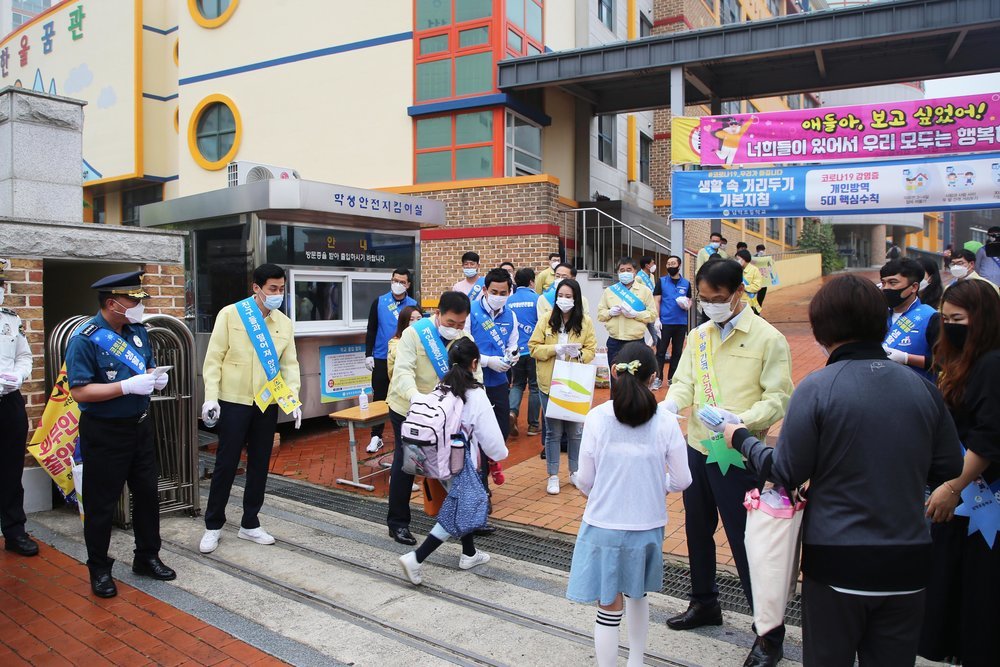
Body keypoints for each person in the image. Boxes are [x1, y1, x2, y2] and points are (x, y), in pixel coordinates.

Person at [716, 274, 962, 666]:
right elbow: (949, 468)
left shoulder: (817, 388)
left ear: (821, 328)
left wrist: (740, 438)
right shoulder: (923, 390)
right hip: (909, 560)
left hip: (836, 559)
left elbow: (786, 471)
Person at [663, 258, 793, 667]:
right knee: (697, 531)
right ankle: (704, 602)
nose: (710, 306)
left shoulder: (768, 339)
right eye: (703, 299)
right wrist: (671, 405)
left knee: (747, 543)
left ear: (739, 293)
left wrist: (744, 421)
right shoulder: (699, 335)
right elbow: (683, 380)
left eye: (717, 299)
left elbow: (779, 397)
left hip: (739, 455)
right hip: (698, 448)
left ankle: (769, 634)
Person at [566, 342, 691, 667]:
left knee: (608, 606)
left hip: (603, 525)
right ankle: (637, 661)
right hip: (648, 527)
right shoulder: (665, 421)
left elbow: (586, 480)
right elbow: (682, 480)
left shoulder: (597, 418)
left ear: (613, 372)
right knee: (638, 596)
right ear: (655, 378)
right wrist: (655, 484)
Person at [65, 271, 175, 598]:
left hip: (139, 426)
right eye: (134, 301)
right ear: (112, 303)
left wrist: (155, 377)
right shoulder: (85, 338)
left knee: (147, 495)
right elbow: (80, 392)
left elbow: (146, 366)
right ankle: (98, 567)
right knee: (101, 504)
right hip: (105, 431)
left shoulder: (138, 332)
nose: (140, 306)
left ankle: (147, 556)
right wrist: (125, 386)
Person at [920, 279, 1000, 666]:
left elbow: (987, 438)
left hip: (982, 502)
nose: (948, 326)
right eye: (944, 318)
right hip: (960, 497)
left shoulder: (992, 363)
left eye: (958, 319)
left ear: (982, 320)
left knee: (979, 596)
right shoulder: (961, 360)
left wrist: (954, 486)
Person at [199, 263, 302, 555]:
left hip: (266, 403)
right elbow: (214, 359)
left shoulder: (284, 322)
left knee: (259, 464)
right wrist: (211, 397)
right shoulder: (231, 314)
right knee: (226, 464)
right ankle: (213, 525)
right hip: (233, 401)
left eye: (282, 289)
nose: (277, 294)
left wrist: (293, 399)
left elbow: (289, 366)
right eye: (272, 289)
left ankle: (250, 522)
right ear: (256, 288)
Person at [398, 337, 507, 584]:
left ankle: (469, 554)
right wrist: (501, 456)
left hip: (436, 459)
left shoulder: (442, 386)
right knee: (463, 507)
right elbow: (492, 440)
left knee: (460, 502)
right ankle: (416, 558)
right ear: (475, 363)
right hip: (459, 461)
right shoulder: (475, 394)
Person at [386, 291, 478, 545]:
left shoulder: (464, 338)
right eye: (450, 323)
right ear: (438, 313)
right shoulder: (415, 333)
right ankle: (398, 523)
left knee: (457, 462)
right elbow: (402, 371)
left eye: (460, 324)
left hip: (445, 414)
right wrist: (416, 398)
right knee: (408, 463)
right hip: (409, 409)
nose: (455, 329)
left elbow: (473, 375)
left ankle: (469, 521)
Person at [528, 278, 596, 495]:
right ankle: (553, 475)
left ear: (576, 299)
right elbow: (533, 348)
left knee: (575, 431)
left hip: (574, 382)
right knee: (553, 431)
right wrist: (554, 349)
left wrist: (580, 354)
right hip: (550, 383)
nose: (564, 300)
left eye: (568, 296)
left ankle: (575, 471)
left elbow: (591, 349)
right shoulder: (547, 319)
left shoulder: (585, 321)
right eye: (561, 296)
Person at [466, 268, 519, 520]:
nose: (499, 296)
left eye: (504, 292)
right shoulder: (471, 312)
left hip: (499, 382)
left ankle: (489, 467)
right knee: (476, 436)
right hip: (474, 382)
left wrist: (513, 356)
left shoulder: (511, 315)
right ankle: (482, 490)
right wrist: (487, 361)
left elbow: (513, 343)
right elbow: (463, 345)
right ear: (485, 290)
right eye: (494, 292)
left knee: (499, 431)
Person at [0, 261, 37, 558]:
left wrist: (19, 377)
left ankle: (14, 531)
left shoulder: (10, 320)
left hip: (9, 403)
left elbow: (25, 356)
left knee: (12, 470)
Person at [364, 269, 416, 453]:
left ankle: (406, 435)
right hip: (380, 356)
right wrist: (368, 353)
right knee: (379, 397)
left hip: (405, 359)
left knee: (404, 397)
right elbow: (371, 329)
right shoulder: (379, 301)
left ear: (408, 285)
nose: (398, 284)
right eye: (395, 280)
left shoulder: (414, 305)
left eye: (402, 282)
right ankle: (376, 436)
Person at [880, 258, 939, 380]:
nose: (886, 288)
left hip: (920, 391)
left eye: (893, 283)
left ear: (914, 287)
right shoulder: (879, 314)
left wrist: (906, 358)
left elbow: (944, 363)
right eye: (883, 283)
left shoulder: (931, 317)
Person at [597, 257, 656, 373]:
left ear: (635, 272)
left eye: (629, 270)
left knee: (636, 377)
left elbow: (652, 315)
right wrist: (610, 312)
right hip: (615, 341)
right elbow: (600, 315)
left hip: (636, 342)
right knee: (616, 376)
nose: (625, 273)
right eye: (622, 270)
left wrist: (636, 314)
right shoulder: (610, 291)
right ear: (618, 273)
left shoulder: (645, 291)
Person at [508, 268, 541, 438]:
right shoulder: (537, 299)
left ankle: (512, 412)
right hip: (533, 350)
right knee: (535, 387)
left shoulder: (509, 301)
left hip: (515, 350)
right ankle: (533, 426)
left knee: (517, 384)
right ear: (531, 282)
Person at [655, 255, 691, 387]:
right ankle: (658, 378)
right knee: (660, 351)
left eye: (673, 263)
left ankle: (672, 378)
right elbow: (657, 301)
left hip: (680, 323)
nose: (670, 266)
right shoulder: (661, 281)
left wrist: (687, 305)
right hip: (665, 322)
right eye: (668, 264)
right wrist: (657, 319)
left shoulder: (686, 283)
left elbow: (689, 300)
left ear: (679, 266)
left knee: (677, 352)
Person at [387, 306, 422, 381]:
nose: (416, 322)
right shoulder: (394, 342)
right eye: (411, 319)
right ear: (404, 322)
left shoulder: (426, 340)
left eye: (419, 319)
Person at [637, 256, 663, 358]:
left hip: (652, 308)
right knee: (646, 334)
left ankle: (660, 353)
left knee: (657, 333)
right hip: (644, 310)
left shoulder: (651, 276)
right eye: (653, 263)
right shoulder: (638, 277)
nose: (654, 265)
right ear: (647, 265)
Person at [735, 249, 764, 314]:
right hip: (737, 304)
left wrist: (743, 287)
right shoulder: (736, 270)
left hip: (749, 304)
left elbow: (757, 287)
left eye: (738, 259)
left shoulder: (754, 270)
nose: (737, 261)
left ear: (744, 259)